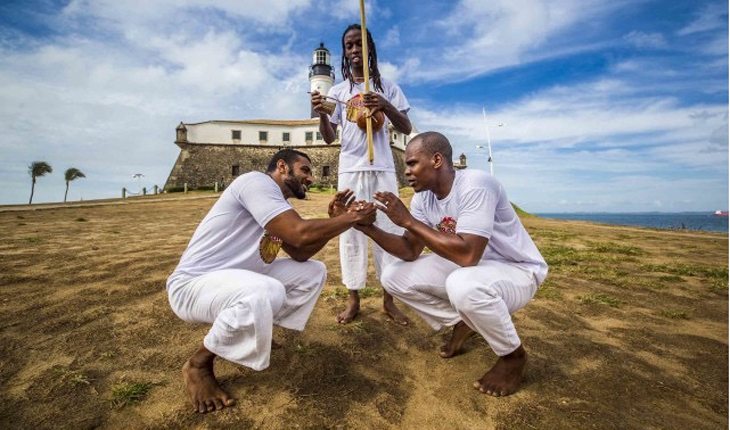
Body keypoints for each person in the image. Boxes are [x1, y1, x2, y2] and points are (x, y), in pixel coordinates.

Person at [166, 148, 375, 413]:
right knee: (268, 290)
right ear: (282, 167)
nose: (311, 179)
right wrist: (352, 217)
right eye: (305, 171)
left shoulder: (278, 205)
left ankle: (257, 328)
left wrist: (337, 221)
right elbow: (299, 235)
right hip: (193, 286)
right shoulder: (256, 182)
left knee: (313, 272)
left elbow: (301, 252)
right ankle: (198, 365)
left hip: (234, 281)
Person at [349, 132, 548, 396]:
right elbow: (409, 251)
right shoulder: (423, 198)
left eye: (412, 163)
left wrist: (408, 221)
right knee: (393, 275)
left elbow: (468, 255)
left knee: (462, 285)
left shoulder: (476, 184)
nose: (406, 171)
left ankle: (513, 357)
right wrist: (368, 228)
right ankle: (465, 320)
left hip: (517, 270)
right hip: (473, 271)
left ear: (437, 160)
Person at [311, 23, 413, 325]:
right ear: (344, 52)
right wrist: (321, 115)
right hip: (351, 170)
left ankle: (388, 299)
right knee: (351, 233)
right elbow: (329, 137)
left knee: (388, 230)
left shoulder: (388, 87)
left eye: (359, 44)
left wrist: (384, 104)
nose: (355, 50)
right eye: (349, 46)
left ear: (370, 49)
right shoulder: (339, 91)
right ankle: (353, 297)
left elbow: (406, 128)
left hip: (381, 167)